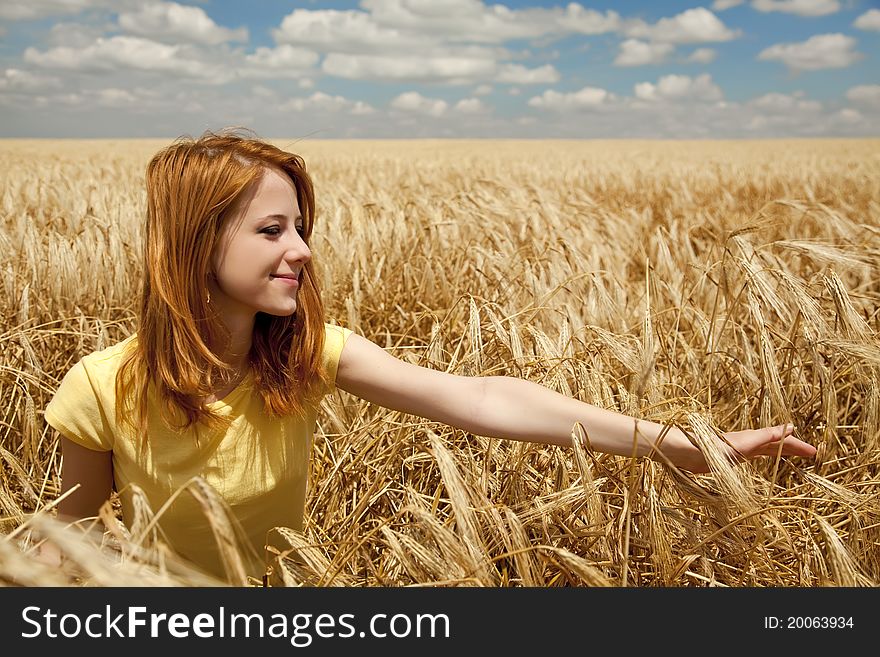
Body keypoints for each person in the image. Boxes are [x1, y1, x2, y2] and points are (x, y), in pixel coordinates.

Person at [43, 130, 817, 584]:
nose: (303, 251)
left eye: (301, 227)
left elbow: (483, 397)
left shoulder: (308, 357)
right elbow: (67, 530)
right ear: (195, 241)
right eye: (271, 230)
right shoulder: (103, 385)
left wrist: (683, 446)